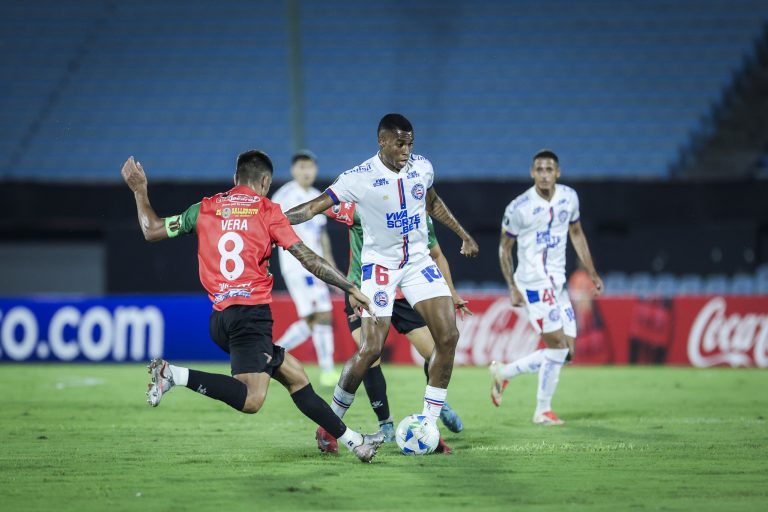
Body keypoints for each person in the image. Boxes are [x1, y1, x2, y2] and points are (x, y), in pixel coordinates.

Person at [120, 150, 384, 462]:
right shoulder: (267, 210)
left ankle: (356, 441)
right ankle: (173, 375)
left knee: (297, 378)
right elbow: (308, 258)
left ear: (235, 179)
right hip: (250, 317)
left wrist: (139, 190)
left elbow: (151, 229)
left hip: (220, 318)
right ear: (265, 181)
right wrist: (350, 287)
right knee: (252, 399)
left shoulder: (204, 208)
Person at [284, 113, 479, 451]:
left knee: (448, 336)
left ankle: (427, 427)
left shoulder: (422, 167)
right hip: (380, 267)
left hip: (417, 263)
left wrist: (462, 234)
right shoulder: (357, 178)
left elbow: (432, 202)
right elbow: (315, 206)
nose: (407, 150)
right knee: (371, 348)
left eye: (410, 143)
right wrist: (273, 222)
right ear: (383, 141)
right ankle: (329, 424)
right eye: (400, 143)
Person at [324, 201, 469, 453]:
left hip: (404, 296)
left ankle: (435, 407)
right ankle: (385, 424)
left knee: (435, 352)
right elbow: (325, 205)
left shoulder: (419, 218)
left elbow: (436, 254)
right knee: (370, 355)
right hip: (365, 290)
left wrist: (452, 293)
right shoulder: (362, 205)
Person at [492, 149, 603, 425]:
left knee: (568, 353)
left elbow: (576, 233)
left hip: (558, 283)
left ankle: (505, 373)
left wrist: (591, 271)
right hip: (532, 283)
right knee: (557, 346)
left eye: (549, 169)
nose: (544, 174)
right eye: (539, 170)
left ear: (558, 172)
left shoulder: (569, 198)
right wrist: (512, 287)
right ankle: (542, 411)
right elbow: (505, 249)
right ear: (532, 173)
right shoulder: (518, 208)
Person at [271, 150, 339, 387]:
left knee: (316, 319)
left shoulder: (316, 196)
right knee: (321, 315)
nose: (306, 171)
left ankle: (272, 355)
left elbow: (322, 237)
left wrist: (331, 271)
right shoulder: (285, 195)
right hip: (297, 264)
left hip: (316, 266)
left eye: (310, 166)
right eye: (301, 166)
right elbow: (272, 226)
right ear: (293, 170)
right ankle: (327, 371)